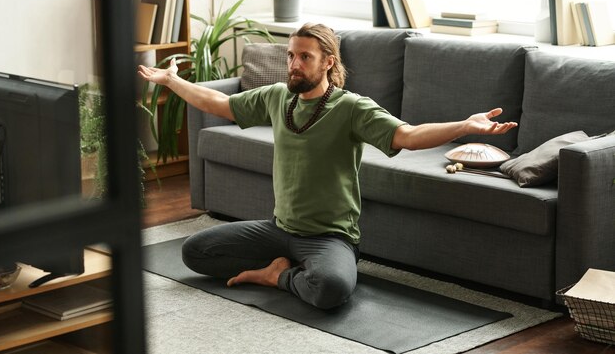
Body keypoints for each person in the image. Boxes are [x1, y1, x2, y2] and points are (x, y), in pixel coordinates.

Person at [137, 23, 517, 310]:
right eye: (291, 56)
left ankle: (278, 275)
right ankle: (285, 266)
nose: (294, 64)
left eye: (305, 57)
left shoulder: (352, 107)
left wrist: (465, 126)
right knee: (195, 252)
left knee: (330, 290)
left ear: (328, 62)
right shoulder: (276, 97)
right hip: (278, 228)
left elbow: (410, 135)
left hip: (330, 238)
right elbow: (220, 105)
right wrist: (173, 81)